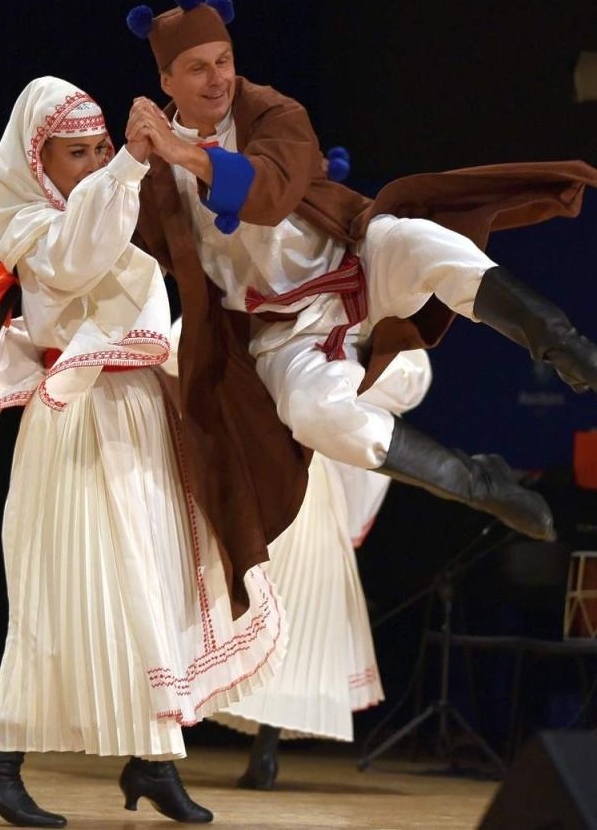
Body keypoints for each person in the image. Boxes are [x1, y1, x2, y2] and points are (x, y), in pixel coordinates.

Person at [124, 0, 597, 588]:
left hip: (353, 266)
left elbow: (270, 190)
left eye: (224, 61)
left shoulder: (274, 112)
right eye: (198, 68)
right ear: (167, 81)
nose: (218, 79)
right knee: (314, 414)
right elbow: (128, 246)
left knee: (419, 242)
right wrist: (130, 163)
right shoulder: (154, 172)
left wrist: (187, 155)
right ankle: (477, 482)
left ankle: (562, 343)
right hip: (283, 335)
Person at [0, 76, 285, 827]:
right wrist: (130, 164)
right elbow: (79, 257)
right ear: (39, 162)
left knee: (159, 577)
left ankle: (153, 759)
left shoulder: (110, 200)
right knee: (71, 588)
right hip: (79, 417)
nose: (96, 161)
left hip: (137, 406)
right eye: (76, 153)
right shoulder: (34, 227)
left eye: (100, 147)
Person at [162, 316, 432, 789]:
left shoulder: (355, 312)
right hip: (253, 453)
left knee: (286, 600)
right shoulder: (257, 293)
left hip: (296, 462)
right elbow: (178, 345)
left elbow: (407, 379)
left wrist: (341, 368)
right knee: (231, 598)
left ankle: (250, 745)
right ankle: (176, 740)